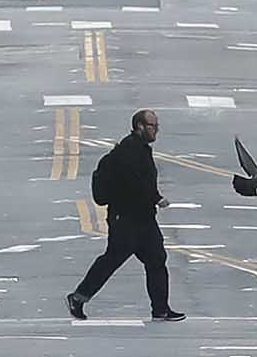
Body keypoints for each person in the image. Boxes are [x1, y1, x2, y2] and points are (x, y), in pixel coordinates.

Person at [69, 109, 184, 321]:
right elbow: (136, 181)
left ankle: (160, 309)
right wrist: (156, 197)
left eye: (157, 126)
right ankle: (79, 297)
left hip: (143, 218)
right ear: (140, 126)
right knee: (113, 259)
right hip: (125, 219)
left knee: (157, 259)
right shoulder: (129, 150)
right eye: (152, 126)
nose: (156, 130)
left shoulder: (140, 148)